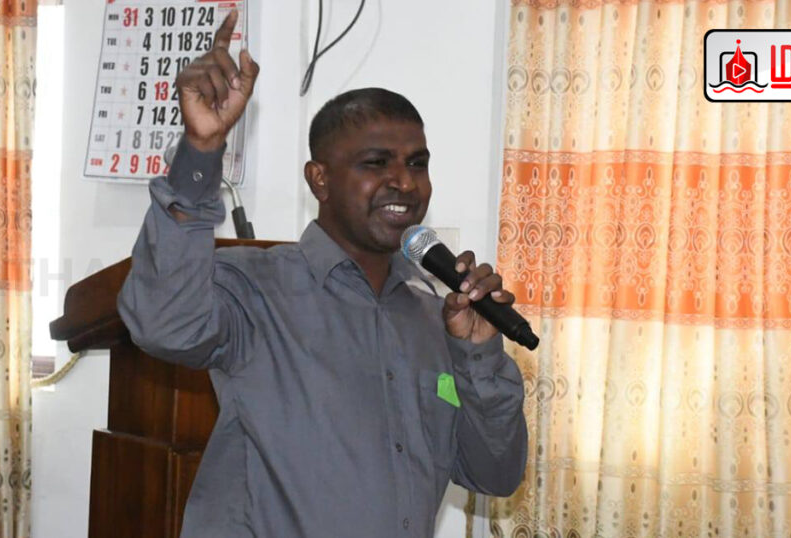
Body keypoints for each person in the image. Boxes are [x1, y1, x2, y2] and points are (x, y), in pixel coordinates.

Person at [118, 11, 527, 538]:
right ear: (319, 180)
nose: (404, 182)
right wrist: (199, 154)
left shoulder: (435, 317)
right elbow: (163, 324)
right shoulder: (255, 288)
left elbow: (494, 473)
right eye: (376, 163)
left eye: (417, 163)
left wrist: (479, 354)